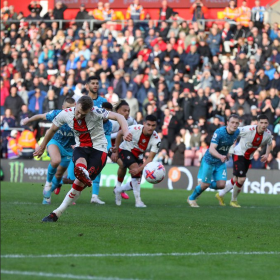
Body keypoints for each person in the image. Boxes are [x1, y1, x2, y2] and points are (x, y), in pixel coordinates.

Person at [35, 96, 132, 222]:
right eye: (78, 111)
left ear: (91, 110)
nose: (79, 115)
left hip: (99, 150)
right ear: (76, 105)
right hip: (81, 147)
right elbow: (52, 129)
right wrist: (42, 147)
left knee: (78, 185)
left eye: (83, 114)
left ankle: (58, 211)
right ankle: (81, 176)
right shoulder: (66, 114)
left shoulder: (97, 112)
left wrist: (125, 131)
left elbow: (119, 117)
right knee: (80, 167)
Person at [22, 97, 76, 204]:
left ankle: (47, 196)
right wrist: (28, 120)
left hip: (68, 148)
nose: (70, 111)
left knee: (59, 175)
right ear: (63, 108)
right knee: (56, 161)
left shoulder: (79, 119)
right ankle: (47, 184)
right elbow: (41, 116)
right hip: (54, 142)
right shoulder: (57, 114)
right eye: (67, 108)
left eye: (72, 109)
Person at [63, 76, 107, 199]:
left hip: (101, 136)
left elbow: (109, 117)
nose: (95, 85)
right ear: (87, 86)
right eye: (93, 83)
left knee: (97, 165)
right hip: (80, 136)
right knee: (76, 164)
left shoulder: (102, 101)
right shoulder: (79, 101)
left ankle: (95, 195)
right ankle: (67, 180)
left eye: (97, 83)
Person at [216, 114, 273, 207]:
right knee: (242, 179)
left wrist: (267, 154)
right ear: (257, 123)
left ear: (268, 124)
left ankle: (220, 194)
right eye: (261, 122)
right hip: (238, 154)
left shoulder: (267, 134)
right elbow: (233, 133)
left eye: (265, 123)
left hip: (248, 157)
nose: (263, 125)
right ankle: (233, 201)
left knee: (235, 179)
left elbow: (270, 143)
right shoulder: (248, 129)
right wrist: (229, 149)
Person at [188, 114, 240, 207]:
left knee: (221, 185)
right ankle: (191, 198)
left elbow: (231, 143)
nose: (234, 125)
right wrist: (221, 156)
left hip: (220, 162)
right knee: (205, 185)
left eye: (236, 123)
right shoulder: (219, 132)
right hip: (209, 161)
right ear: (227, 123)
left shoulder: (237, 132)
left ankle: (202, 185)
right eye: (232, 122)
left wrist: (228, 153)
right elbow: (212, 149)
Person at [111, 115, 161, 207]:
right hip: (126, 149)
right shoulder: (135, 129)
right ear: (144, 124)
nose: (150, 127)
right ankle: (138, 201)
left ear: (156, 126)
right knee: (135, 170)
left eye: (153, 125)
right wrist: (117, 151)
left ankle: (119, 189)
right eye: (148, 124)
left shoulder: (156, 139)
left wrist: (139, 169)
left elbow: (150, 158)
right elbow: (119, 134)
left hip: (138, 155)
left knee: (137, 178)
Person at [109, 100, 138, 200]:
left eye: (128, 111)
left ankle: (118, 187)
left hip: (121, 147)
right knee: (122, 165)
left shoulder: (130, 121)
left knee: (125, 165)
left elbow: (137, 129)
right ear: (117, 111)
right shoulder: (111, 122)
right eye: (124, 110)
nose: (127, 113)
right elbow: (105, 135)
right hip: (109, 147)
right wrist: (121, 133)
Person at [91, 102, 113, 205]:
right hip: (86, 148)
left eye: (109, 111)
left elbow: (107, 138)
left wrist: (110, 149)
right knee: (74, 176)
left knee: (97, 171)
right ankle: (58, 183)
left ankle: (94, 196)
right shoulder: (94, 119)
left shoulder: (109, 124)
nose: (106, 114)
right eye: (105, 110)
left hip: (98, 149)